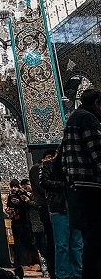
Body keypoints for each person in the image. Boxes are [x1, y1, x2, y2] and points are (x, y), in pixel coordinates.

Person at [59, 88, 101, 279]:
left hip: (77, 188)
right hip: (91, 188)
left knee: (89, 242)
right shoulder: (87, 119)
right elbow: (98, 153)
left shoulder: (74, 118)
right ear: (97, 103)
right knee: (95, 242)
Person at [41, 148, 83, 279]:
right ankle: (62, 275)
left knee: (77, 244)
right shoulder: (49, 165)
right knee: (62, 245)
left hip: (75, 208)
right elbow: (44, 182)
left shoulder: (75, 164)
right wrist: (64, 185)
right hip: (59, 209)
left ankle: (77, 273)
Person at [29, 151, 55, 278]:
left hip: (51, 208)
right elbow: (42, 188)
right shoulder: (37, 169)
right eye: (50, 157)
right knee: (48, 240)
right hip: (46, 208)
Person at [5, 178, 39, 277]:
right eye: (12, 187)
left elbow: (27, 208)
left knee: (28, 242)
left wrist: (20, 203)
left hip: (25, 223)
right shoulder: (10, 196)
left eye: (15, 187)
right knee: (18, 243)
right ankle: (19, 263)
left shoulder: (22, 195)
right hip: (16, 223)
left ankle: (32, 262)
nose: (13, 189)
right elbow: (8, 206)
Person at [20, 179, 42, 272]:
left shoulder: (37, 194)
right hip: (33, 224)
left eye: (26, 187)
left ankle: (41, 264)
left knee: (41, 244)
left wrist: (28, 201)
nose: (27, 189)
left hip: (39, 223)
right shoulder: (31, 194)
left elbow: (38, 204)